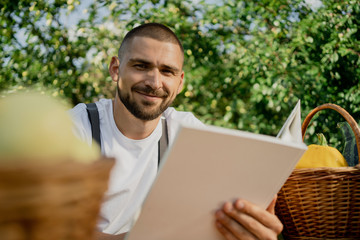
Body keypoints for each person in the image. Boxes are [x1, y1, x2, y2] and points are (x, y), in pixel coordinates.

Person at [69, 23, 283, 240]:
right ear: (116, 69)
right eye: (141, 66)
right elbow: (50, 230)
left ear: (180, 82)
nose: (154, 83)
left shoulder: (186, 131)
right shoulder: (77, 128)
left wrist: (249, 225)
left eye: (167, 71)